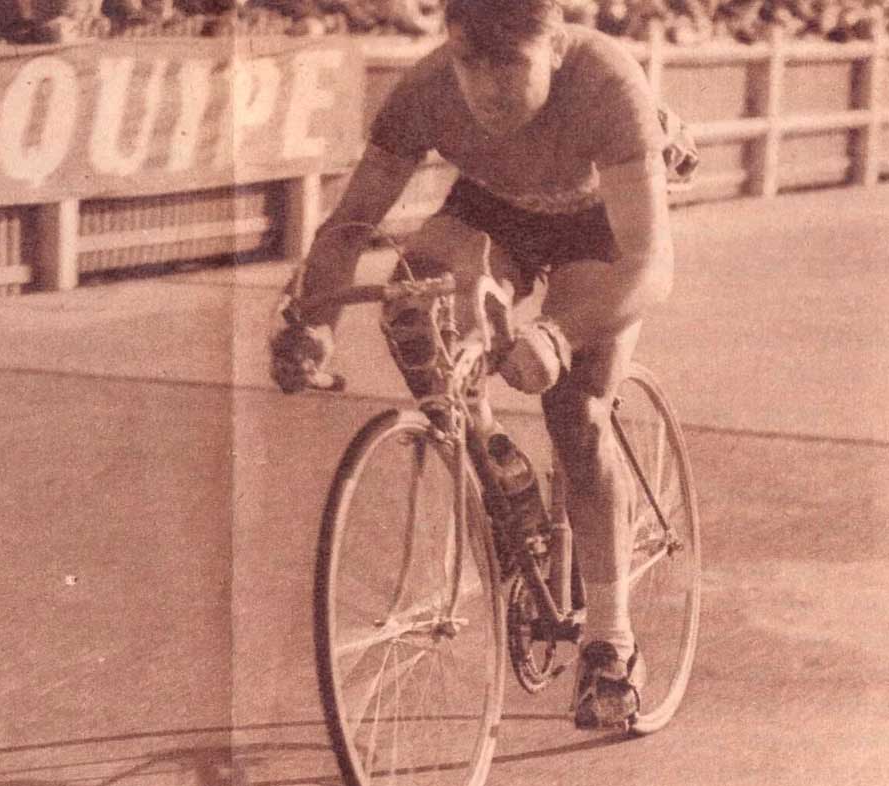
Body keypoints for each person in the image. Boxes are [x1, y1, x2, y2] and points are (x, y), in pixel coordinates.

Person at [269, 0, 697, 729]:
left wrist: (558, 336)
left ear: (555, 47)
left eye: (512, 64)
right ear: (450, 49)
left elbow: (649, 263)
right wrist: (313, 322)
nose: (489, 87)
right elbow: (350, 224)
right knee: (413, 295)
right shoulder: (425, 92)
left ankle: (611, 642)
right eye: (472, 62)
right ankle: (495, 457)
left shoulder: (606, 81)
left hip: (604, 223)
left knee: (576, 408)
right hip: (496, 213)